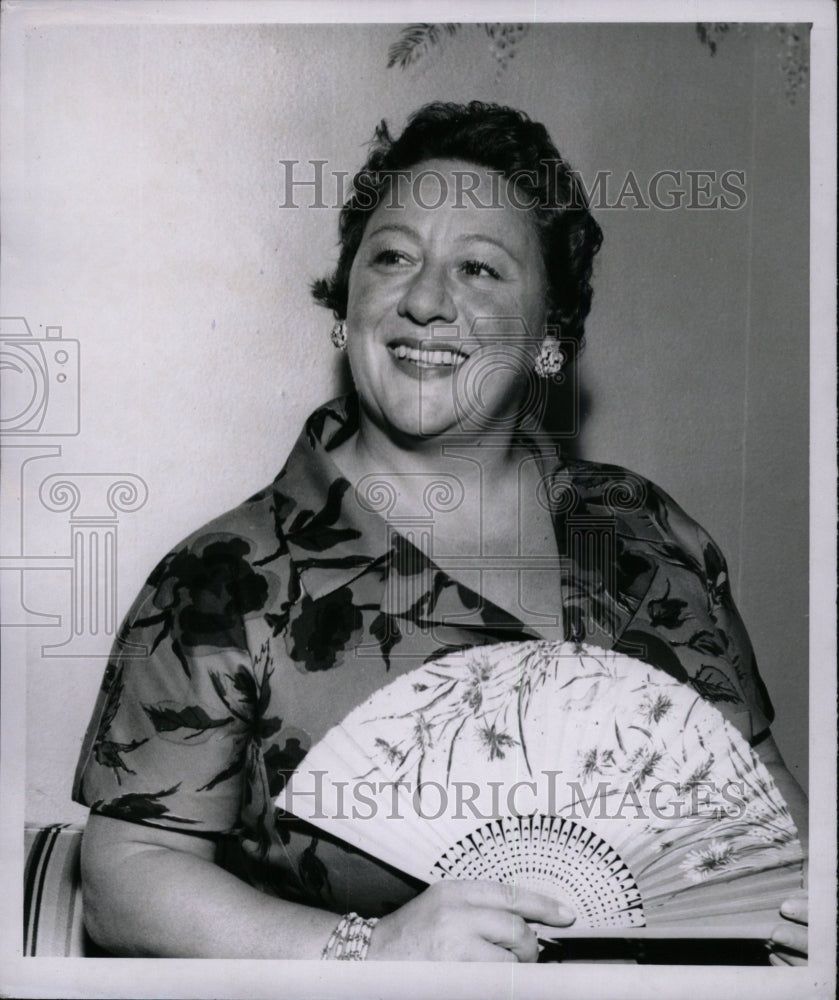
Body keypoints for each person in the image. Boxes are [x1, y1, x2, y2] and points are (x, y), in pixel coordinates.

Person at [73, 101, 807, 963]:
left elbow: (768, 807)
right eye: (391, 257)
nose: (424, 300)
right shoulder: (226, 579)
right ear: (347, 304)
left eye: (480, 270)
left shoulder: (645, 530)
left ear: (549, 339)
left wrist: (807, 912)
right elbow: (126, 878)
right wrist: (368, 950)